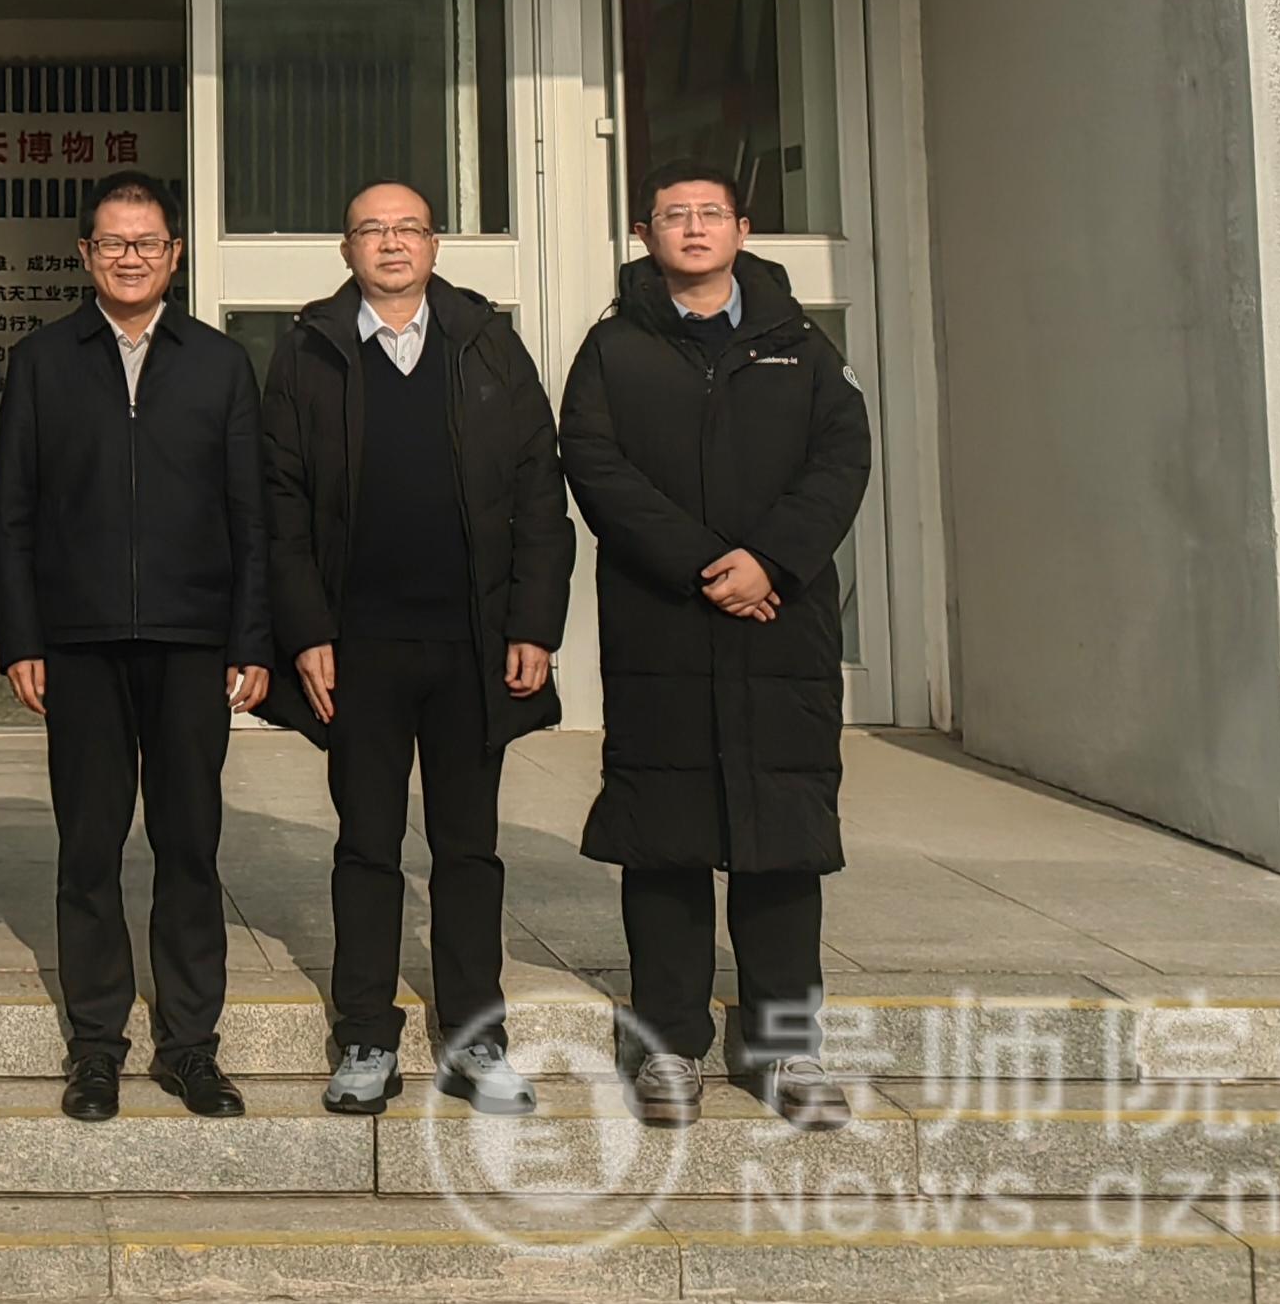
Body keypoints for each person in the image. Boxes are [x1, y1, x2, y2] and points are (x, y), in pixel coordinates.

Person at [558, 162, 872, 1131]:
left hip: (780, 625)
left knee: (783, 846)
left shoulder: (799, 344)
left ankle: (784, 1046)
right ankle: (668, 1045)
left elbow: (842, 457)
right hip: (665, 625)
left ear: (740, 229)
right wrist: (705, 564)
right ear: (645, 234)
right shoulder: (614, 347)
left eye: (709, 214)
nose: (692, 228)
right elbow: (594, 465)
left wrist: (769, 560)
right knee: (665, 842)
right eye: (673, 216)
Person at [259, 183, 571, 1118]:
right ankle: (365, 1032)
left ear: (434, 245)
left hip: (474, 645)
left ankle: (477, 1037)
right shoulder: (309, 350)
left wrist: (534, 624)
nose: (391, 244)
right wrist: (306, 630)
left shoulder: (488, 344)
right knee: (366, 844)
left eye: (408, 229)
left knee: (469, 849)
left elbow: (540, 494)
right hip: (358, 649)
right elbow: (279, 505)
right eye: (372, 230)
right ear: (345, 248)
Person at [0, 170, 271, 1122]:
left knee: (189, 844)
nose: (130, 257)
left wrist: (251, 637)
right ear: (85, 254)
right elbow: (12, 513)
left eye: (147, 242)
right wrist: (21, 638)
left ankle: (190, 1046)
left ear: (175, 254)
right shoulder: (42, 361)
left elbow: (251, 515)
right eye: (112, 243)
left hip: (193, 641)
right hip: (79, 642)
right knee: (89, 847)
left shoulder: (220, 364)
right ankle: (96, 1047)